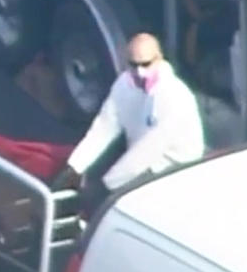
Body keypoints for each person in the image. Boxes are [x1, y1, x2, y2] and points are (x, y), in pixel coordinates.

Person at [51, 33, 206, 212]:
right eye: (134, 65)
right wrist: (75, 165)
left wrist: (108, 186)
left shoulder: (174, 96)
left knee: (108, 204)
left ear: (159, 59)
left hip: (174, 170)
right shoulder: (124, 84)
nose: (140, 72)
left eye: (146, 64)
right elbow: (105, 126)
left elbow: (146, 152)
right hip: (139, 163)